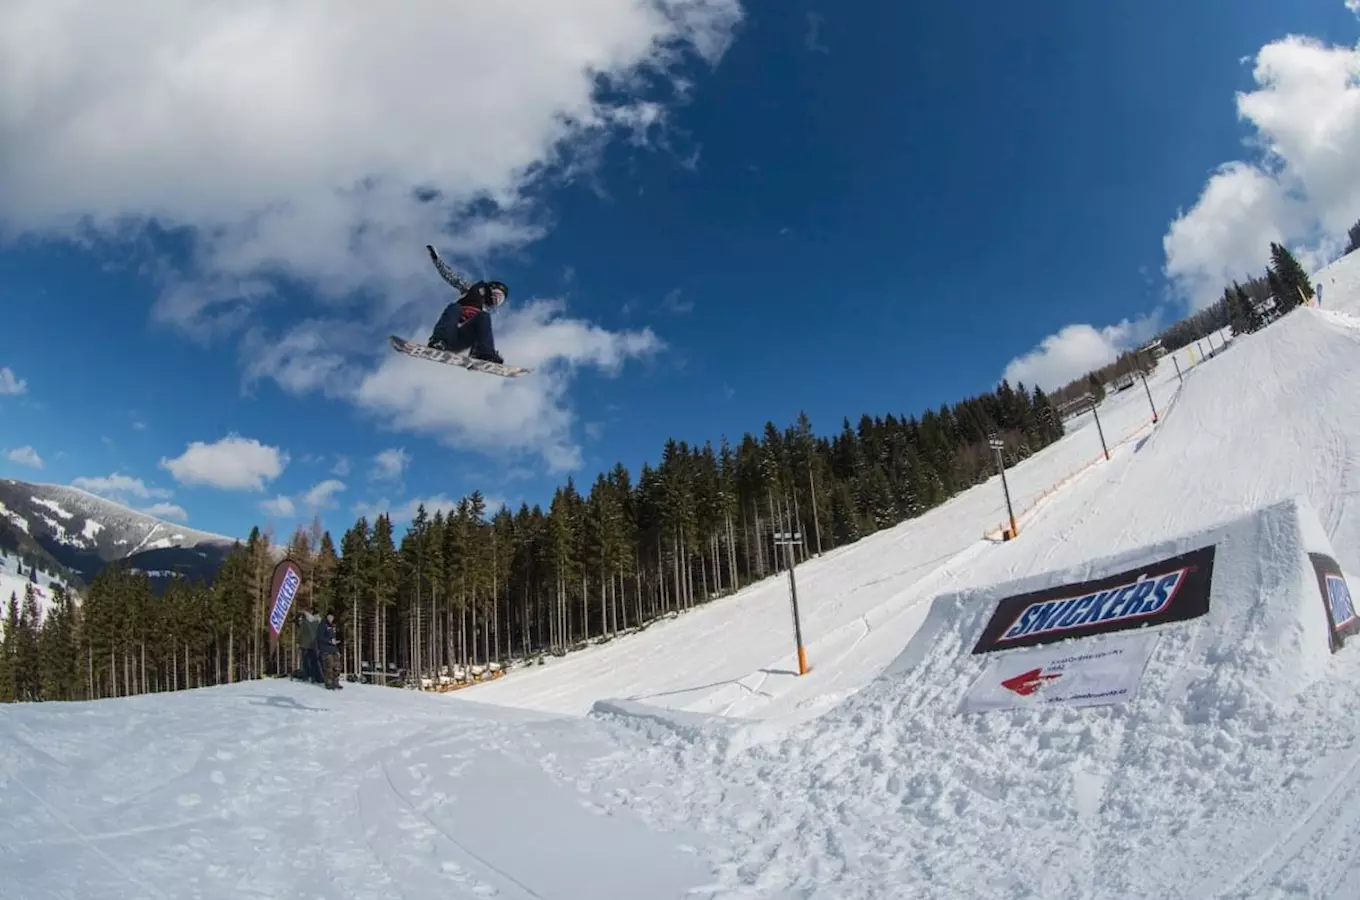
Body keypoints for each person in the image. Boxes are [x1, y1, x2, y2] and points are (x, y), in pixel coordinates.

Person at [425, 244, 507, 364]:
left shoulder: (484, 313)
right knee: (455, 307)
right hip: (449, 334)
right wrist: (437, 260)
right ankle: (439, 341)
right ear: (490, 290)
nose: (497, 301)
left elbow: (485, 334)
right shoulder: (472, 290)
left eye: (501, 300)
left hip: (463, 339)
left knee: (484, 317)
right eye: (497, 296)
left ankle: (483, 353)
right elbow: (452, 277)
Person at [317, 612, 343, 690]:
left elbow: (334, 639)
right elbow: (319, 637)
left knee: (337, 666)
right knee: (329, 666)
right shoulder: (322, 625)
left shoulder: (332, 626)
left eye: (332, 617)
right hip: (325, 649)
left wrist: (337, 650)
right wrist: (329, 641)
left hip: (333, 649)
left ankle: (336, 682)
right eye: (330, 617)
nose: (331, 619)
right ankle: (329, 682)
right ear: (327, 617)